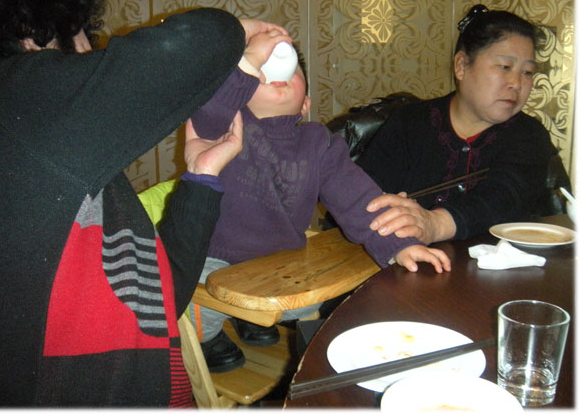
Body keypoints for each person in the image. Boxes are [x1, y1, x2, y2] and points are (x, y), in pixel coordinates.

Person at [0, 0, 284, 406]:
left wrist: (201, 178)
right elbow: (195, 43)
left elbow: (156, 303)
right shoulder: (7, 93)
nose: (92, 54)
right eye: (84, 40)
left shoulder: (68, 174)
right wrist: (235, 30)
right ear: (33, 37)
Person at [177, 29, 451, 373]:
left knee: (308, 305)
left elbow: (358, 198)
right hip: (213, 254)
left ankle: (251, 317)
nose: (277, 72)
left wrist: (400, 245)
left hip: (279, 261)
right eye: (261, 69)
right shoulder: (224, 126)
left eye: (291, 70)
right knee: (193, 299)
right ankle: (209, 338)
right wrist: (247, 63)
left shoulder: (319, 142)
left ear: (305, 103)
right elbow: (209, 111)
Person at [359, 5, 557, 245]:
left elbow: (505, 196)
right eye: (505, 67)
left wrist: (434, 224)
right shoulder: (409, 123)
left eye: (527, 72)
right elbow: (362, 198)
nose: (517, 83)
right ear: (461, 66)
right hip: (403, 262)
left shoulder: (529, 136)